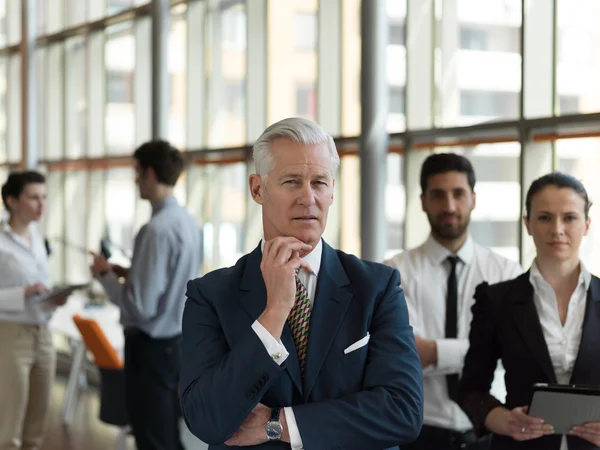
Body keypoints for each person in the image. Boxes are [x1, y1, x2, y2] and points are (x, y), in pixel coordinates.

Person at [179, 117, 424, 449]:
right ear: (257, 189)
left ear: (333, 190)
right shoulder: (210, 295)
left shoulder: (377, 287)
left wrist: (280, 424)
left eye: (319, 182)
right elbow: (207, 420)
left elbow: (403, 411)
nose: (308, 198)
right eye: (292, 181)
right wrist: (275, 311)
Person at [384, 153, 523, 450]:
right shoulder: (393, 272)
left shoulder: (506, 273)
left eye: (458, 194)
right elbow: (406, 355)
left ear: (473, 198)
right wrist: (484, 350)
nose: (449, 206)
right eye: (438, 195)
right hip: (417, 432)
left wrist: (435, 352)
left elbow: (515, 351)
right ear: (422, 201)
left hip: (490, 431)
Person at [458, 172, 600, 450]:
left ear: (586, 224)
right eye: (545, 217)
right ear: (527, 223)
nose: (557, 229)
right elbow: (470, 389)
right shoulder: (496, 299)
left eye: (569, 217)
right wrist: (499, 419)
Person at [90, 140, 202, 450]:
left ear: (149, 173)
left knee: (152, 437)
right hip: (176, 344)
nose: (135, 180)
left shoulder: (155, 229)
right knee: (167, 432)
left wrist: (104, 275)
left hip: (149, 349)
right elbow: (175, 281)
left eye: (136, 172)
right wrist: (130, 273)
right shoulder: (189, 224)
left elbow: (141, 306)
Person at [0, 171, 69, 450]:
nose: (41, 204)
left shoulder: (38, 238)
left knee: (37, 423)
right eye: (33, 197)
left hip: (44, 335)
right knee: (9, 425)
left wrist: (54, 297)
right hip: (11, 336)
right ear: (12, 201)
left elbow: (44, 283)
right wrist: (25, 293)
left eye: (44, 197)